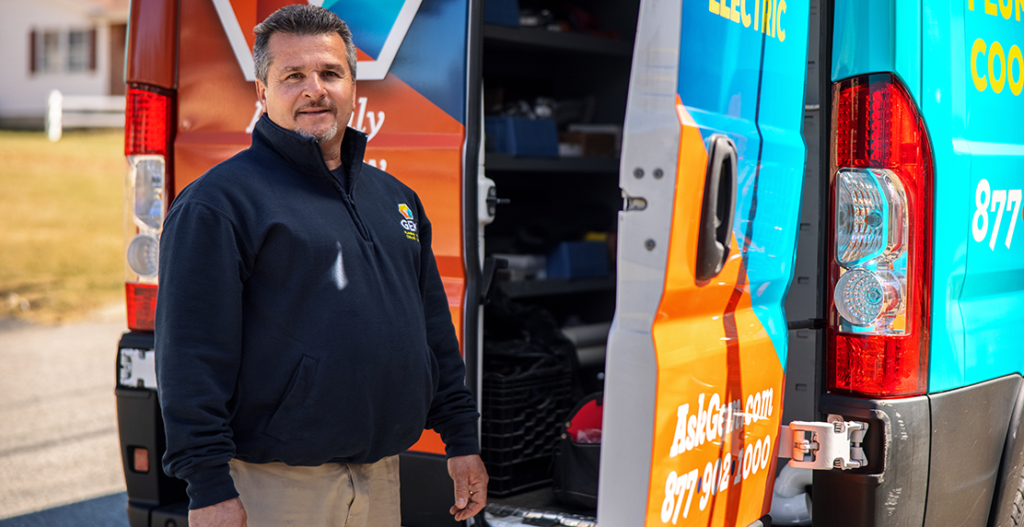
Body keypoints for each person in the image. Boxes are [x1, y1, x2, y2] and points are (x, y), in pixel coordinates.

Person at [154, 5, 488, 526]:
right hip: (275, 487)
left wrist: (462, 439)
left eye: (330, 73)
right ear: (262, 92)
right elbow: (189, 357)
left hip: (381, 474)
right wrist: (208, 486)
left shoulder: (397, 199)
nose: (315, 90)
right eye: (293, 76)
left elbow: (432, 331)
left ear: (353, 86)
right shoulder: (218, 205)